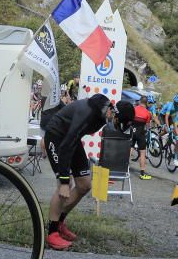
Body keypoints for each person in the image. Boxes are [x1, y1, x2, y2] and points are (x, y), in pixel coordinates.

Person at [43, 94, 134, 250]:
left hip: (71, 138)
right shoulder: (89, 114)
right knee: (65, 185)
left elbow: (73, 138)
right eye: (118, 124)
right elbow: (66, 146)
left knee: (84, 185)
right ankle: (51, 233)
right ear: (115, 114)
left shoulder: (105, 111)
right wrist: (64, 181)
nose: (115, 127)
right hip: (56, 136)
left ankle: (59, 223)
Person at [133, 94, 153, 180]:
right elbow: (148, 126)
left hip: (133, 131)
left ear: (140, 101)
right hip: (141, 133)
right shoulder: (148, 113)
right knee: (142, 153)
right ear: (146, 103)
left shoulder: (134, 109)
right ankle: (142, 174)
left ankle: (124, 169)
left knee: (129, 148)